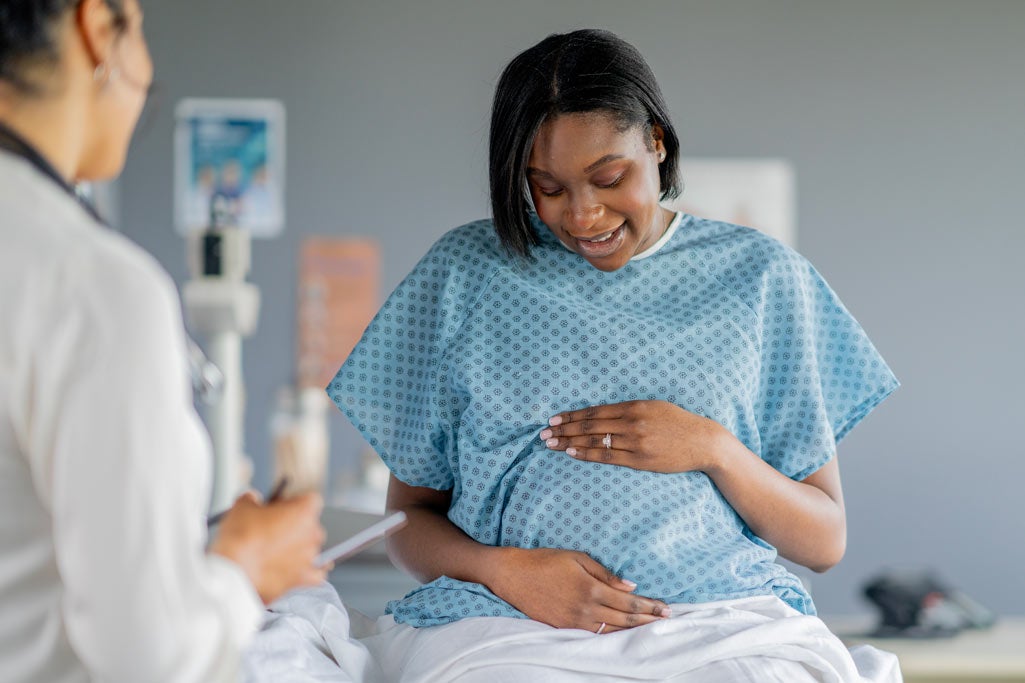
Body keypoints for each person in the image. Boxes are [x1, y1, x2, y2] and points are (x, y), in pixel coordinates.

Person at [329, 29, 901, 681]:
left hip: (720, 623)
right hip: (503, 624)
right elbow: (406, 521)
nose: (582, 215)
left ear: (655, 140)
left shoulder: (761, 277)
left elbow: (823, 541)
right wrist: (506, 571)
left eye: (608, 177)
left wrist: (712, 447)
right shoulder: (465, 273)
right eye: (545, 186)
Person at [0, 1, 327, 681]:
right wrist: (244, 567)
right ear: (97, 27)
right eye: (140, 27)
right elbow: (150, 656)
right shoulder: (94, 285)